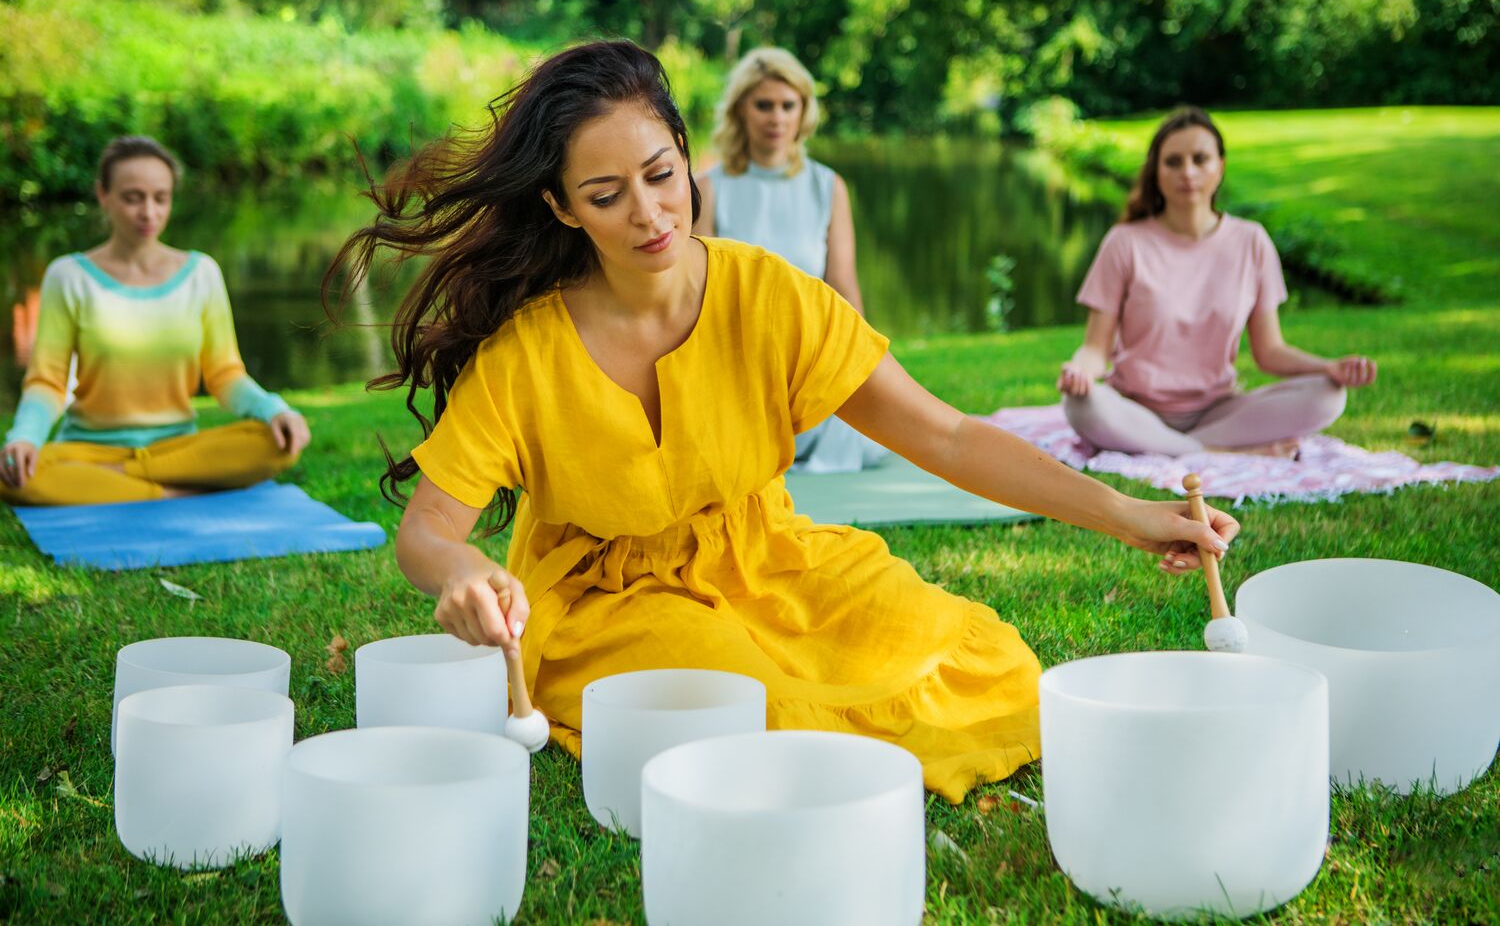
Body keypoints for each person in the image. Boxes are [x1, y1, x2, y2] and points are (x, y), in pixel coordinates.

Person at [325, 41, 1237, 802]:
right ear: (562, 207)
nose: (648, 214)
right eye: (606, 196)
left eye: (660, 174)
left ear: (689, 156)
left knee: (979, 657)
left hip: (767, 558)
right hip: (604, 598)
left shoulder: (767, 294)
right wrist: (466, 571)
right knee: (744, 703)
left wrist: (1130, 513)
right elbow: (429, 530)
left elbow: (947, 437)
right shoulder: (527, 353)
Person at [0, 136, 310, 505]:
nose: (149, 212)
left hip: (179, 449)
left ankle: (120, 485)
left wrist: (274, 409)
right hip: (89, 450)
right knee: (9, 472)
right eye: (133, 198)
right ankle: (174, 491)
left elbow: (225, 375)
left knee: (276, 443)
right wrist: (24, 437)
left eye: (160, 198)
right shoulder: (68, 276)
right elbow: (48, 382)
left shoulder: (201, 273)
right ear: (103, 195)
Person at [1058, 107, 1376, 457]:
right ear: (1156, 171)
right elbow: (1096, 349)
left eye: (1200, 159)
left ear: (1220, 166)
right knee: (1081, 404)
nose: (1188, 172)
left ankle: (1181, 448)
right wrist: (1079, 371)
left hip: (1220, 411)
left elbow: (1269, 352)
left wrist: (1328, 367)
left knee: (1329, 395)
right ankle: (1218, 453)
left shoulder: (1251, 241)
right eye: (1173, 162)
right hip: (1135, 410)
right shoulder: (1125, 242)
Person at [692, 46, 882, 472]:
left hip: (811, 358)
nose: (776, 117)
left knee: (865, 439)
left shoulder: (828, 186)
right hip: (735, 361)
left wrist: (862, 365)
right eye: (763, 105)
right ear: (741, 110)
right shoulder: (708, 187)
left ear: (803, 112)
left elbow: (843, 285)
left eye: (787, 105)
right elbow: (692, 294)